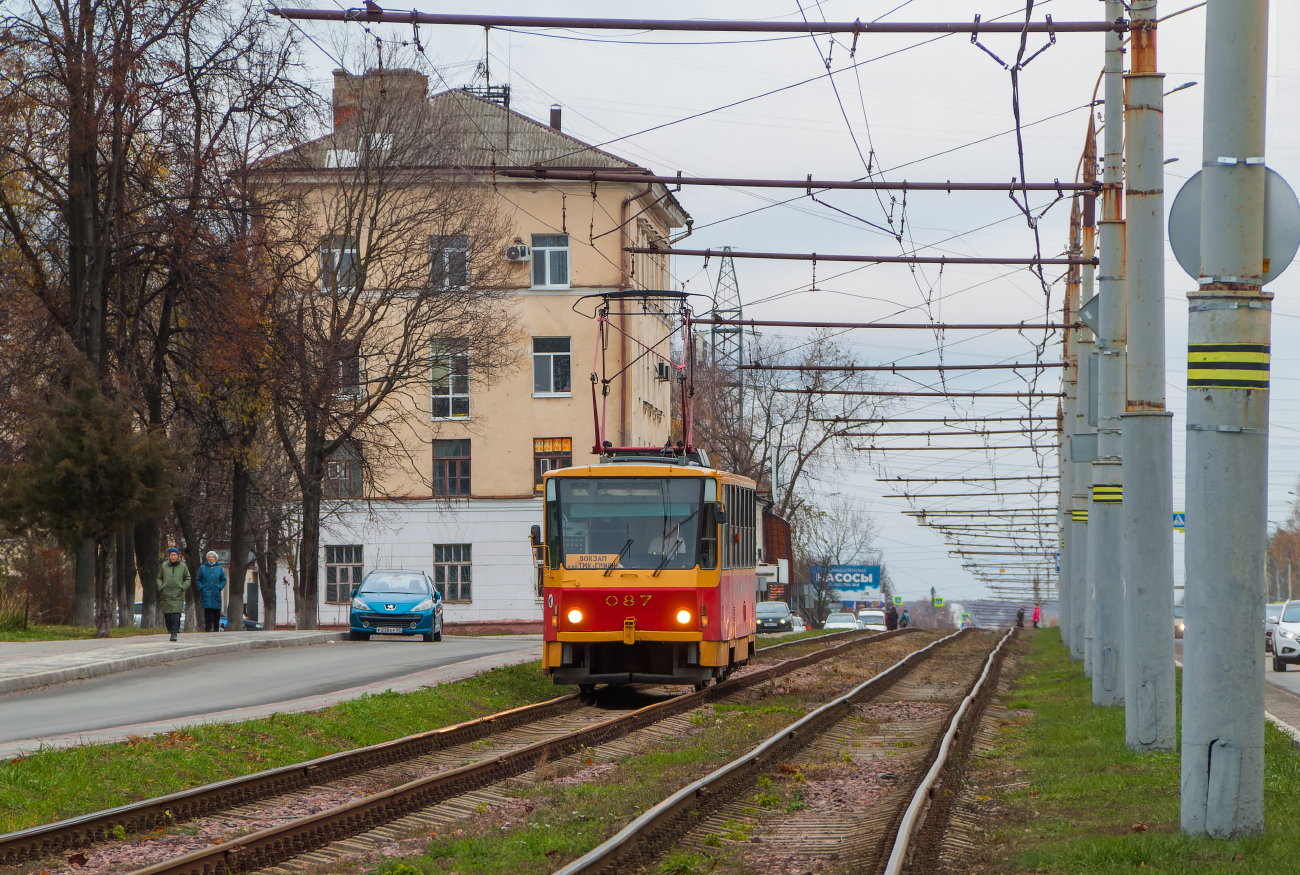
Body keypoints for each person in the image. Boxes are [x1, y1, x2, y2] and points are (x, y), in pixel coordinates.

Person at [157, 548, 190, 642]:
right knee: (167, 615)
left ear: (178, 556)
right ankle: (170, 629)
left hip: (178, 593)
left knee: (176, 613)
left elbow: (188, 578)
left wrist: (183, 587)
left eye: (175, 555)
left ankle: (174, 633)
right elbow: (159, 577)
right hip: (166, 593)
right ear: (169, 556)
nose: (173, 556)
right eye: (171, 555)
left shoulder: (183, 566)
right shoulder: (164, 566)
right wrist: (161, 587)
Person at [196, 551, 228, 632]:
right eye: (209, 557)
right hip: (206, 592)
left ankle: (216, 628)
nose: (211, 558)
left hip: (216, 592)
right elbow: (198, 579)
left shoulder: (219, 568)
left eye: (213, 557)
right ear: (207, 558)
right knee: (208, 611)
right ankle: (208, 628)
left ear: (215, 558)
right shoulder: (202, 568)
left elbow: (223, 579)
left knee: (216, 611)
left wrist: (220, 587)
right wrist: (201, 588)